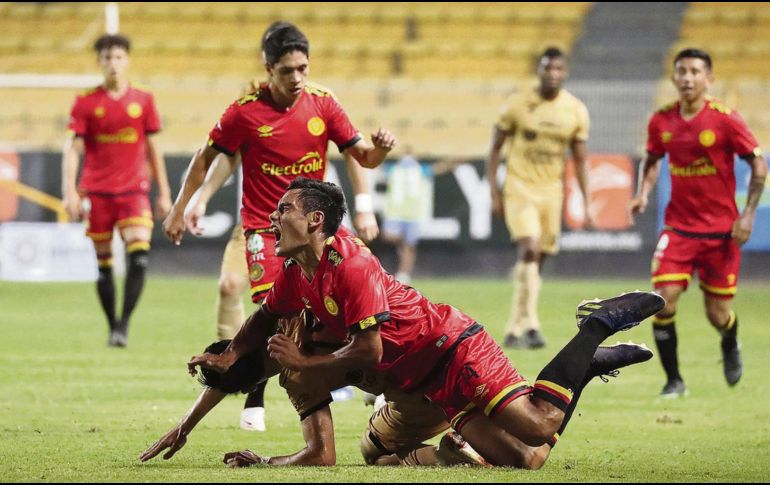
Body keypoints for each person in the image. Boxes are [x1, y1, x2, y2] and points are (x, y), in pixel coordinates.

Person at [187, 178, 665, 467]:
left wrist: (304, 364)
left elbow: (370, 350)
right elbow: (263, 317)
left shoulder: (352, 265)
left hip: (451, 348)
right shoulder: (297, 275)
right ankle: (582, 367)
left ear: (315, 221)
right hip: (423, 386)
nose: (273, 218)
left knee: (538, 427)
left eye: (283, 210)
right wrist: (230, 354)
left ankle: (596, 326)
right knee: (526, 460)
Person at [164, 22, 390, 430]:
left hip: (316, 228)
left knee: (361, 292)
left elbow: (364, 158)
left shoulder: (323, 104)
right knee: (279, 313)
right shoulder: (244, 111)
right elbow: (207, 158)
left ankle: (372, 378)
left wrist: (378, 158)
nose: (297, 78)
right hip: (265, 228)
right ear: (268, 69)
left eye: (303, 68)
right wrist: (181, 207)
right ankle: (261, 392)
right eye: (287, 71)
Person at [141, 321, 653, 468]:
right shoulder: (295, 311)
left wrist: (267, 462)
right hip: (427, 371)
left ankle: (456, 451)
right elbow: (237, 361)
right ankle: (579, 371)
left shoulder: (297, 375)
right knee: (529, 455)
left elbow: (321, 454)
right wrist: (186, 424)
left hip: (430, 381)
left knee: (530, 451)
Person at [629, 48, 767, 397]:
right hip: (678, 229)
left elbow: (758, 164)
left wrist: (748, 214)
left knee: (717, 314)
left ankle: (730, 339)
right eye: (682, 71)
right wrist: (642, 193)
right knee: (663, 300)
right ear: (674, 77)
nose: (688, 78)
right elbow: (652, 159)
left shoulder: (725, 120)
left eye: (695, 71)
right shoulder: (661, 121)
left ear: (709, 79)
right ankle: (674, 381)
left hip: (721, 233)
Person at [61, 33, 171, 347]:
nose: (113, 64)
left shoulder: (144, 100)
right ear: (100, 61)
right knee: (104, 265)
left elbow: (154, 149)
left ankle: (124, 324)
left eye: (119, 57)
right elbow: (72, 149)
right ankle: (113, 326)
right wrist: (69, 191)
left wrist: (164, 192)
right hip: (97, 193)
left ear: (127, 61)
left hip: (134, 192)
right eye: (108, 57)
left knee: (139, 258)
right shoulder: (85, 101)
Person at [487, 46, 592, 350]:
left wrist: (586, 203)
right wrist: (494, 192)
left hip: (551, 192)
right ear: (539, 70)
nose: (553, 74)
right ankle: (532, 325)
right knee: (530, 248)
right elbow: (494, 150)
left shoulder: (575, 110)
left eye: (558, 69)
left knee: (536, 261)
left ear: (565, 72)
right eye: (548, 68)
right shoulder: (517, 104)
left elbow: (580, 160)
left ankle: (513, 326)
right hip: (519, 187)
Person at [380, 147, 431, 284]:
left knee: (410, 246)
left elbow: (440, 168)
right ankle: (401, 246)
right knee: (390, 237)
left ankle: (404, 274)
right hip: (395, 213)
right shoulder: (394, 169)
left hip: (413, 214)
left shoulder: (420, 169)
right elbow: (377, 164)